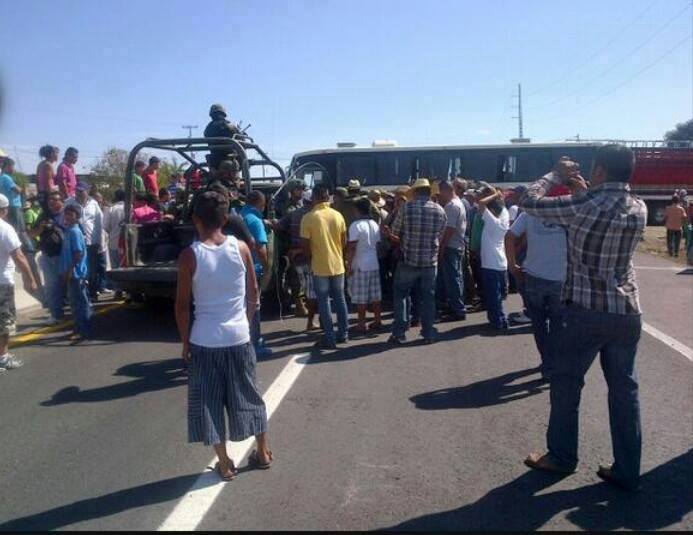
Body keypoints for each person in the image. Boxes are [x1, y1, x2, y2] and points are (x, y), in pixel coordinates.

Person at [521, 145, 647, 492]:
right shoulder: (639, 207)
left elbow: (529, 201)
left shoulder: (582, 204)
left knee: (566, 383)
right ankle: (627, 467)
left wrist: (556, 175)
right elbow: (602, 211)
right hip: (626, 311)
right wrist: (584, 191)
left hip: (584, 311)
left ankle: (561, 457)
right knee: (625, 390)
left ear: (602, 171)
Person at [175, 191, 272, 480]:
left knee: (209, 401)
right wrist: (245, 322)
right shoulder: (241, 247)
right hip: (239, 336)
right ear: (226, 218)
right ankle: (263, 452)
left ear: (195, 219)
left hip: (205, 340)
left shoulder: (190, 255)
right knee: (250, 395)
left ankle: (225, 463)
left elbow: (182, 306)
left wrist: (185, 343)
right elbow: (253, 293)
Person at [505, 196, 567, 380]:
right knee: (558, 324)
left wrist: (512, 265)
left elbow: (509, 236)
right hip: (560, 278)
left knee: (539, 324)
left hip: (534, 276)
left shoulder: (529, 213)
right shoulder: (567, 214)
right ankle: (554, 362)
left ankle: (547, 361)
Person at [387, 178, 446, 345]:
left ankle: (399, 332)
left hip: (408, 260)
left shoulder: (406, 208)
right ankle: (428, 332)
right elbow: (440, 235)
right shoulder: (440, 210)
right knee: (428, 298)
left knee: (401, 295)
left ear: (415, 192)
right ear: (429, 192)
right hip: (429, 261)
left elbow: (396, 233)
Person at [300, 184, 349, 350]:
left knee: (323, 301)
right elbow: (344, 242)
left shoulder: (309, 217)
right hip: (338, 264)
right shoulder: (338, 216)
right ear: (328, 197)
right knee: (340, 299)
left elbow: (305, 246)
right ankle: (343, 334)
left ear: (314, 197)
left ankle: (329, 337)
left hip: (320, 265)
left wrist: (311, 258)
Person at [0, 193, 38, 373]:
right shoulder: (5, 228)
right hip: (2, 283)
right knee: (4, 322)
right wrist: (29, 278)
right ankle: (3, 357)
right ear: (5, 210)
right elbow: (19, 256)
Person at [240, 191, 272, 358]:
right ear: (261, 203)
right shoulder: (255, 220)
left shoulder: (238, 216)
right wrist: (267, 266)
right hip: (253, 269)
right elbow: (261, 248)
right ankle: (255, 344)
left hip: (237, 268)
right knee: (254, 305)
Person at [346, 197, 382, 334]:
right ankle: (377, 320)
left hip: (360, 264)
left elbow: (352, 247)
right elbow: (377, 245)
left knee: (361, 297)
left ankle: (362, 323)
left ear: (357, 210)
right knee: (375, 295)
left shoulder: (356, 225)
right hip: (373, 263)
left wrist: (348, 265)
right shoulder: (374, 224)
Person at [477, 187, 510, 330]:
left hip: (490, 262)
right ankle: (499, 319)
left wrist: (495, 194)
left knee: (493, 295)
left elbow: (481, 203)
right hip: (501, 262)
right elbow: (496, 206)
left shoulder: (492, 222)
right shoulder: (505, 215)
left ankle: (498, 322)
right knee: (497, 295)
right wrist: (497, 197)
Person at [59, 203, 92, 341]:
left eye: (70, 214)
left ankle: (82, 330)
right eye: (66, 213)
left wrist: (69, 270)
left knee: (78, 303)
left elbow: (78, 253)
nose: (67, 216)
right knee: (77, 302)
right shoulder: (68, 230)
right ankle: (82, 328)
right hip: (71, 272)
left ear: (77, 216)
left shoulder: (74, 232)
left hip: (75, 273)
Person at [31, 192, 66, 323]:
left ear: (61, 201)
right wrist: (41, 227)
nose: (52, 203)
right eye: (50, 200)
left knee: (71, 285)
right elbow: (31, 234)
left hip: (65, 255)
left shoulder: (67, 214)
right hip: (48, 256)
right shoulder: (44, 216)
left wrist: (57, 226)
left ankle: (78, 313)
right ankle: (56, 314)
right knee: (51, 287)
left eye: (55, 200)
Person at [437, 180, 467, 321]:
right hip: (456, 245)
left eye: (440, 192)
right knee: (455, 277)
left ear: (445, 191)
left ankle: (458, 309)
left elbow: (449, 229)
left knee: (452, 278)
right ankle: (456, 305)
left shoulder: (451, 206)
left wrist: (441, 248)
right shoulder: (458, 203)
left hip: (451, 245)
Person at [72, 182, 103, 301]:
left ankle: (93, 293)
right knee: (79, 269)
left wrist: (100, 240)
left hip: (92, 241)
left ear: (87, 191)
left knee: (92, 269)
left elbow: (99, 223)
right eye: (77, 191)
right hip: (77, 242)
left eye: (82, 191)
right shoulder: (70, 203)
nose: (79, 193)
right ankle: (80, 294)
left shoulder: (94, 204)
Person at [204, 103, 241, 171]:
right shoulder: (229, 126)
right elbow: (241, 140)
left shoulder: (208, 128)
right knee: (243, 160)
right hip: (229, 159)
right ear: (223, 114)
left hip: (214, 162)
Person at [104, 189, 125, 272]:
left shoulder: (111, 209)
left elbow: (105, 227)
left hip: (114, 242)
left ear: (116, 197)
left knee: (115, 268)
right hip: (127, 243)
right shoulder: (131, 207)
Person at [36, 145, 59, 210]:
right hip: (47, 194)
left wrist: (39, 193)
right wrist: (52, 197)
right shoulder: (48, 165)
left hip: (42, 194)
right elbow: (48, 184)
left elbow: (37, 181)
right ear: (52, 154)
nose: (57, 155)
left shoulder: (41, 164)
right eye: (56, 153)